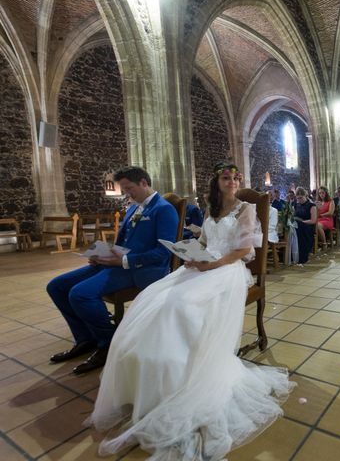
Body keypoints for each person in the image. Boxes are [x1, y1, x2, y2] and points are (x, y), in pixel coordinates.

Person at [87, 162, 293, 459]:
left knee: (181, 303)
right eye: (226, 177)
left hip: (228, 270)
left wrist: (212, 264)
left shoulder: (245, 209)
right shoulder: (211, 208)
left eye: (236, 177)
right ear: (216, 181)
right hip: (206, 264)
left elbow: (241, 251)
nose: (233, 181)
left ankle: (187, 368)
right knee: (154, 296)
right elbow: (204, 241)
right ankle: (158, 367)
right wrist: (190, 254)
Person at [46, 166, 179, 374]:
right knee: (56, 286)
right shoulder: (134, 207)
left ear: (144, 182)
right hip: (117, 262)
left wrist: (124, 260)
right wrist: (102, 255)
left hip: (140, 269)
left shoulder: (163, 209)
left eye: (129, 188)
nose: (127, 194)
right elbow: (123, 240)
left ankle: (108, 343)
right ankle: (85, 338)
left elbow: (163, 253)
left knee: (80, 294)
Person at [294, 187, 317, 264]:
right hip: (298, 225)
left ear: (305, 196)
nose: (299, 200)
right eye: (298, 198)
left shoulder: (311, 205)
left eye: (301, 198)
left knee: (299, 230)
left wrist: (302, 222)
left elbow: (313, 220)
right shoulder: (296, 205)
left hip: (308, 227)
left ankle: (302, 256)